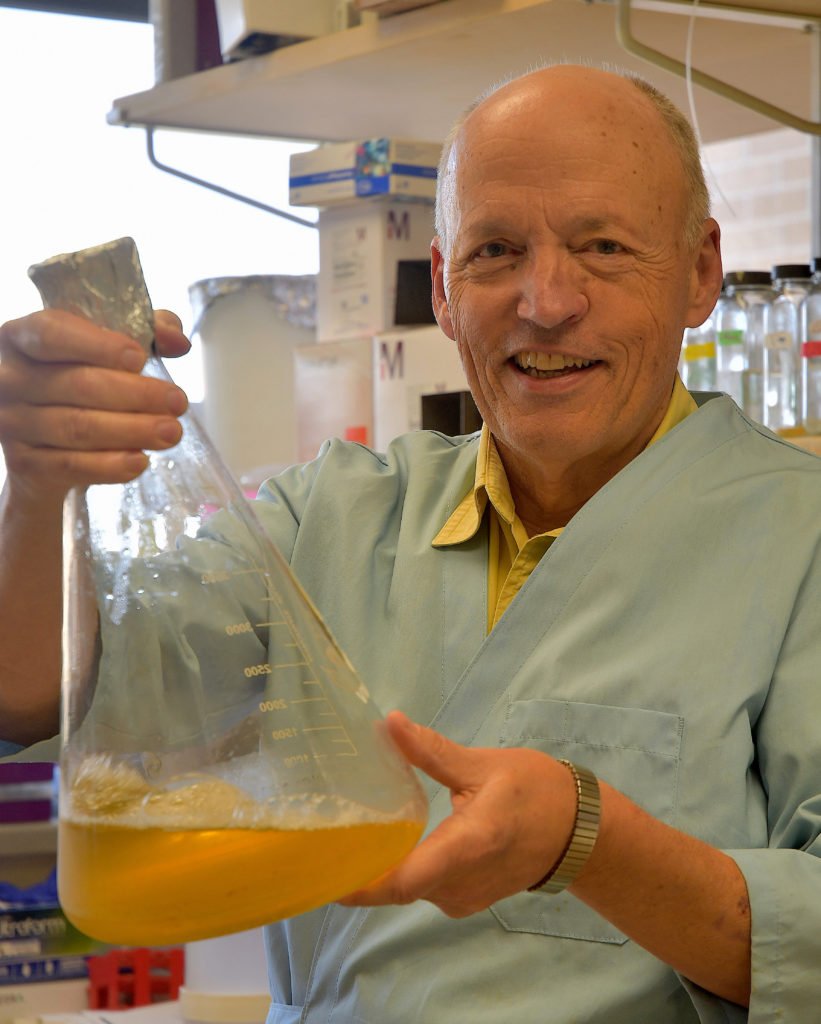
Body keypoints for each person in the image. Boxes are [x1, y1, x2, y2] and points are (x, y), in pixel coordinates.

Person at [1, 62, 820, 1022]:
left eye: (602, 247)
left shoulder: (796, 535)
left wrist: (589, 843)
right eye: (495, 251)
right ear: (440, 286)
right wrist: (42, 484)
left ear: (699, 273)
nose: (546, 301)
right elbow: (44, 694)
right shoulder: (330, 517)